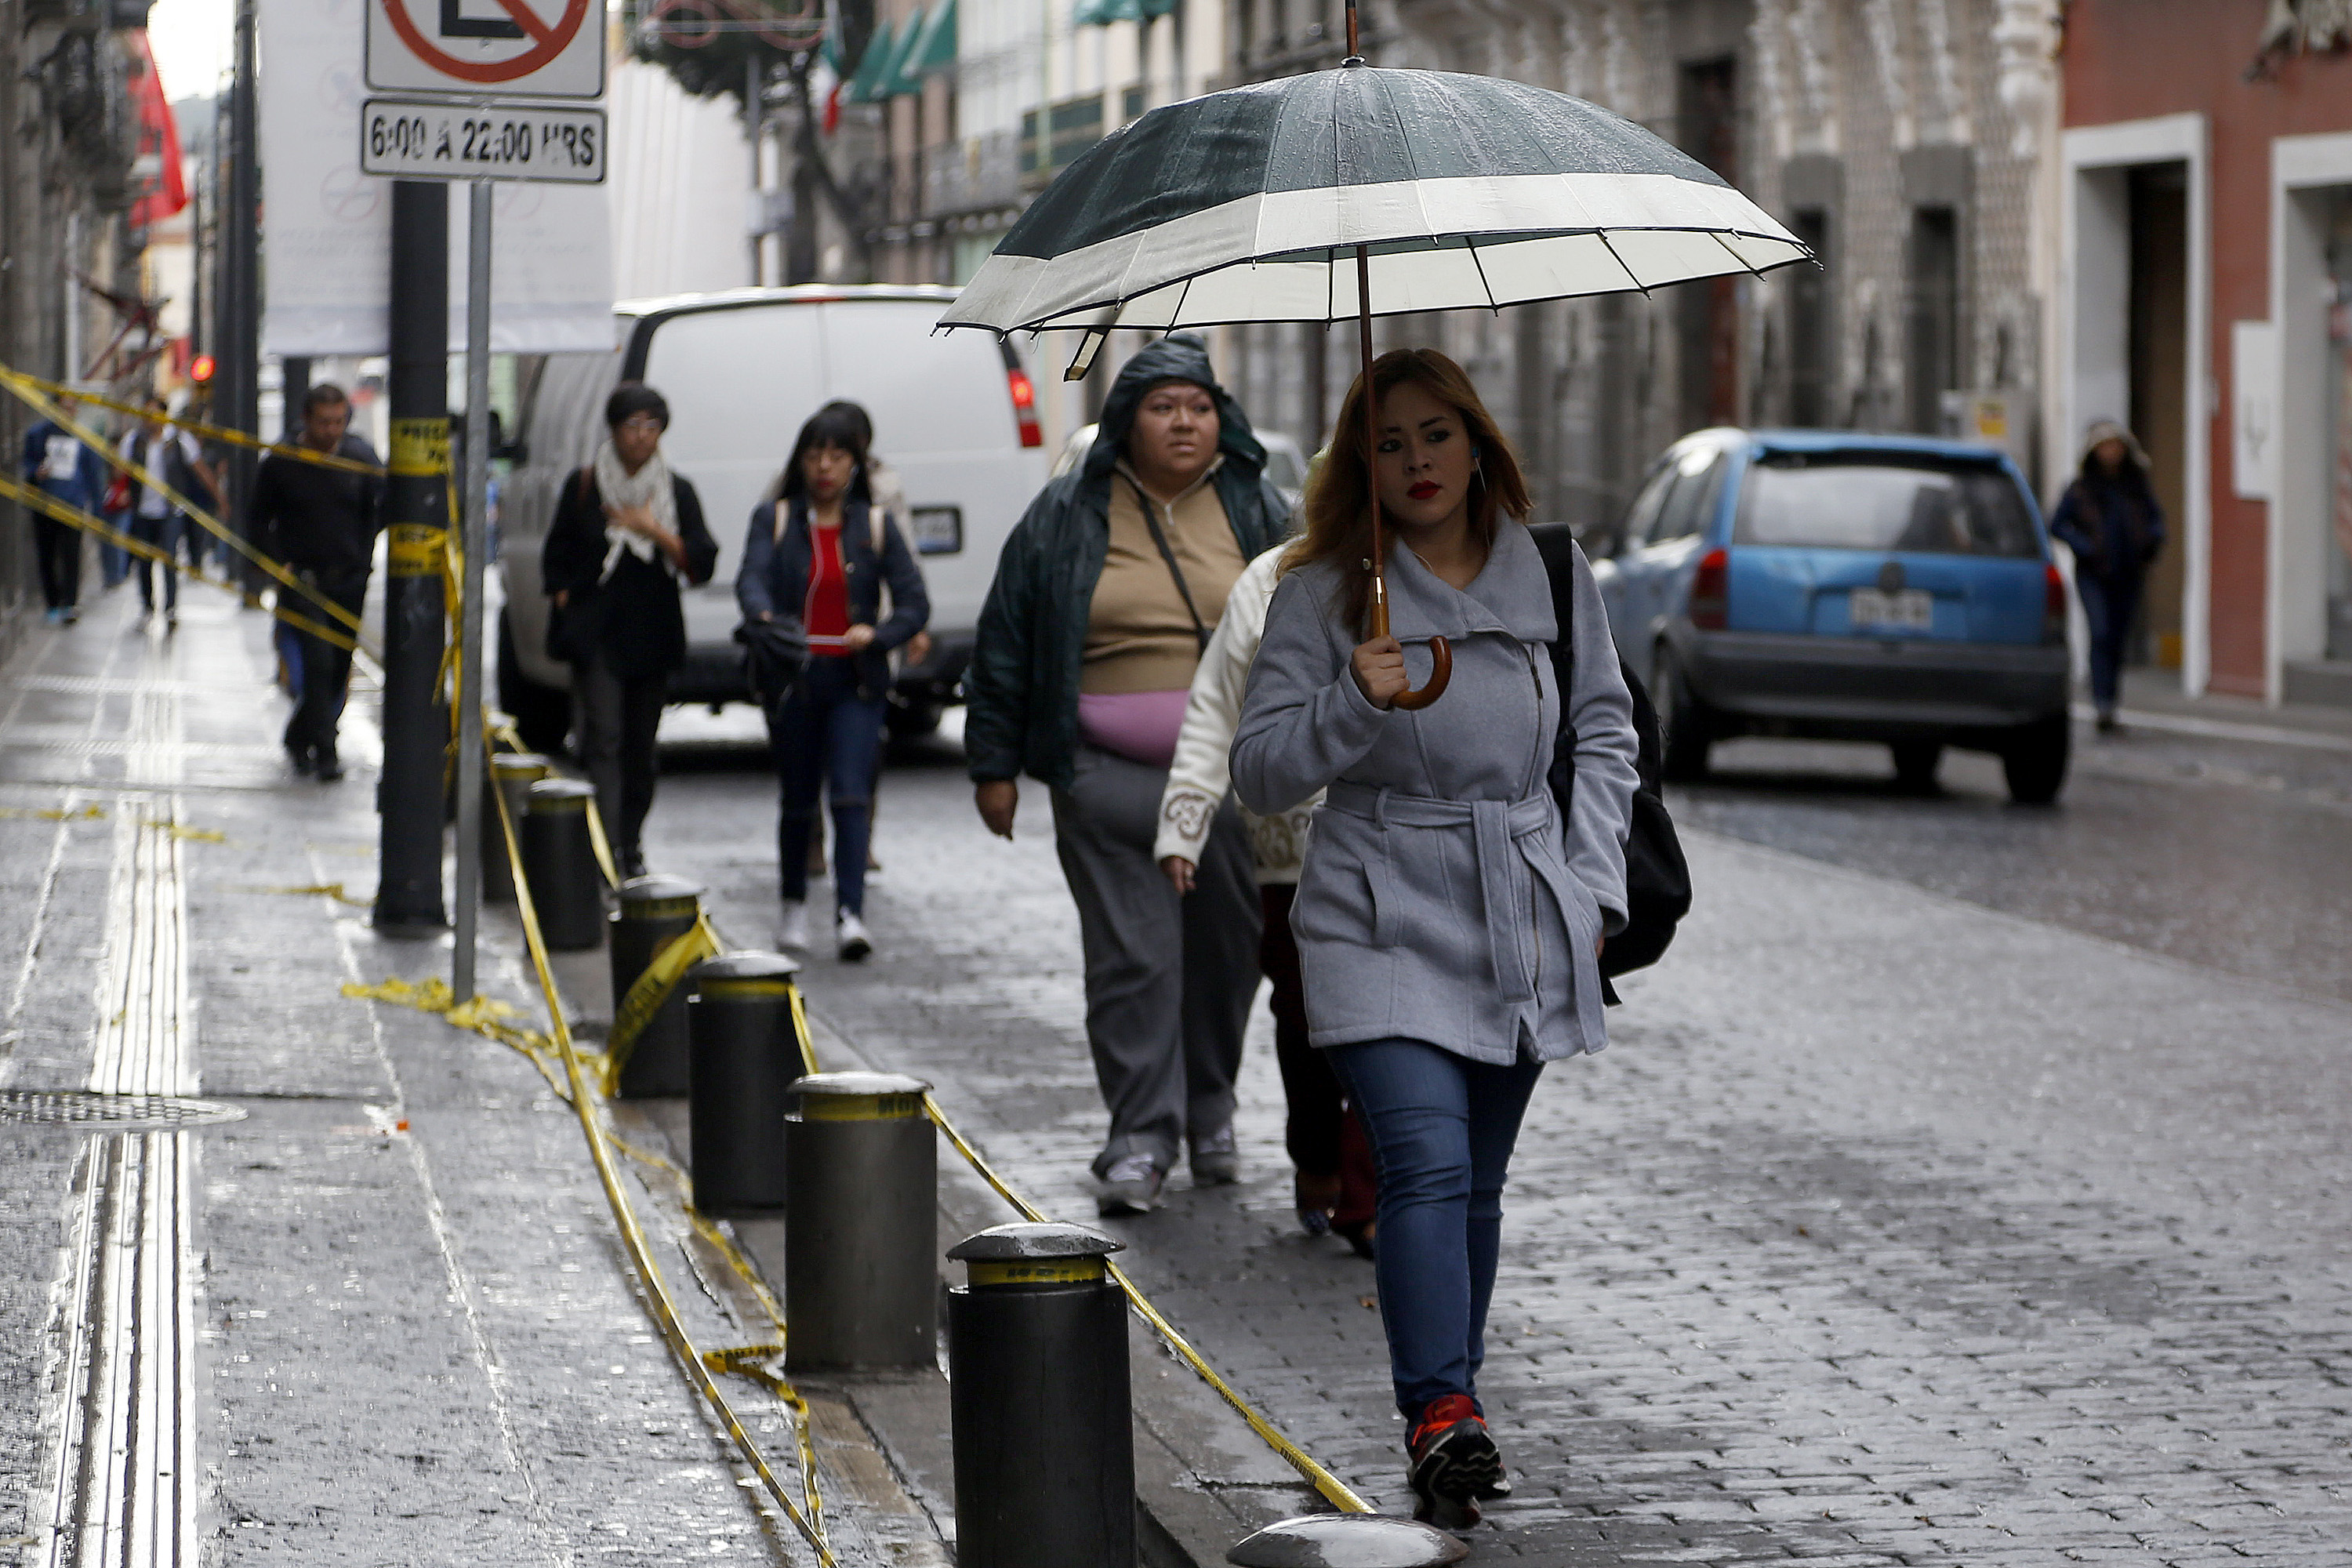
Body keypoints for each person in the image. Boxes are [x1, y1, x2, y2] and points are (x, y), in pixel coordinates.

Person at [1231, 348, 1639, 1527]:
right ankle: (1444, 1411)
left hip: (1518, 900)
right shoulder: (1322, 591)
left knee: (1478, 1186)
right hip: (1375, 907)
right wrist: (1350, 700)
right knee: (1425, 1162)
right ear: (1360, 464)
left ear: (1477, 443)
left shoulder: (1554, 573)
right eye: (1388, 442)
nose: (1416, 462)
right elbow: (1260, 773)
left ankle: (1445, 1411)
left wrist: (1592, 881)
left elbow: (1606, 733)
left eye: (1436, 435)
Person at [965, 333, 1290, 1215]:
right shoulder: (1065, 513)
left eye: (1198, 405)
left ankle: (1210, 1104)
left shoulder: (1261, 508)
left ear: (1221, 418)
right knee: (1133, 959)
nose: (1184, 421)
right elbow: (1005, 639)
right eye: (1163, 406)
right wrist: (994, 764)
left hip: (1232, 784)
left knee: (1228, 952)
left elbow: (1318, 618)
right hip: (1104, 774)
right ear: (1126, 420)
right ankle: (1141, 1133)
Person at [1155, 546, 1379, 1252]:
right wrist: (1184, 824)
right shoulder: (1272, 579)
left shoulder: (1434, 566)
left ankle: (1371, 1195)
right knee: (1307, 1019)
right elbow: (1218, 705)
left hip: (1395, 849)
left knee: (1391, 1021)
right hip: (1286, 860)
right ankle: (1315, 1157)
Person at [738, 405, 930, 961]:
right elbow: (750, 580)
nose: (825, 466)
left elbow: (915, 601)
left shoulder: (873, 524)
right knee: (798, 798)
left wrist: (880, 632)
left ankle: (851, 913)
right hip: (793, 679)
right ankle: (793, 904)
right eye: (815, 454)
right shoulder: (773, 519)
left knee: (849, 793)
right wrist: (767, 619)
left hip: (856, 681)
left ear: (855, 463)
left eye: (838, 455)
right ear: (800, 461)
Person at [542, 383, 719, 877]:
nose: (640, 438)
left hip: (653, 634)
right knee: (603, 739)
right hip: (597, 635)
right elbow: (554, 559)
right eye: (631, 426)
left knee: (641, 748)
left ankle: (630, 843)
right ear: (613, 430)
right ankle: (605, 846)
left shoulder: (675, 491)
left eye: (651, 427)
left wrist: (652, 529)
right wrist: (569, 597)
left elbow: (701, 561)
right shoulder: (585, 486)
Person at [252, 383, 385, 781]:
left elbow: (382, 508)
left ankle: (298, 737)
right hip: (303, 581)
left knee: (338, 668)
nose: (332, 430)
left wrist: (364, 554)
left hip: (350, 580)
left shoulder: (360, 458)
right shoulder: (281, 461)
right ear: (307, 420)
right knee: (317, 664)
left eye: (339, 422)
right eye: (324, 422)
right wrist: (278, 563)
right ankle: (327, 752)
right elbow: (257, 519)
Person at [2050, 419, 2165, 732]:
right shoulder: (2081, 488)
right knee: (2100, 633)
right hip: (2094, 574)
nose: (2110, 452)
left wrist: (2152, 541)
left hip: (2128, 572)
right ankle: (2101, 701)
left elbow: (2156, 520)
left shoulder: (2136, 485)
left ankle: (2111, 701)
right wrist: (2084, 546)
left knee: (2117, 637)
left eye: (2115, 446)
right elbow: (2058, 524)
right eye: (2104, 446)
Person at [116, 397, 220, 630]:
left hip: (170, 512)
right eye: (146, 415)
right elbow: (118, 470)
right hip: (142, 512)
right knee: (144, 562)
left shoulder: (179, 440)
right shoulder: (133, 441)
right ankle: (147, 607)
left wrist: (218, 498)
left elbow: (200, 469)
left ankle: (170, 608)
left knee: (170, 560)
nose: (149, 421)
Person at [22, 394, 106, 624]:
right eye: (64, 407)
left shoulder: (83, 439)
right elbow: (27, 464)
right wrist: (35, 473)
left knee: (71, 556)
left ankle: (70, 603)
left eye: (72, 408)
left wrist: (97, 511)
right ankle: (53, 603)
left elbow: (93, 476)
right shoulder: (38, 435)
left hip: (72, 506)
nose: (68, 412)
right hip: (44, 505)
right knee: (47, 556)